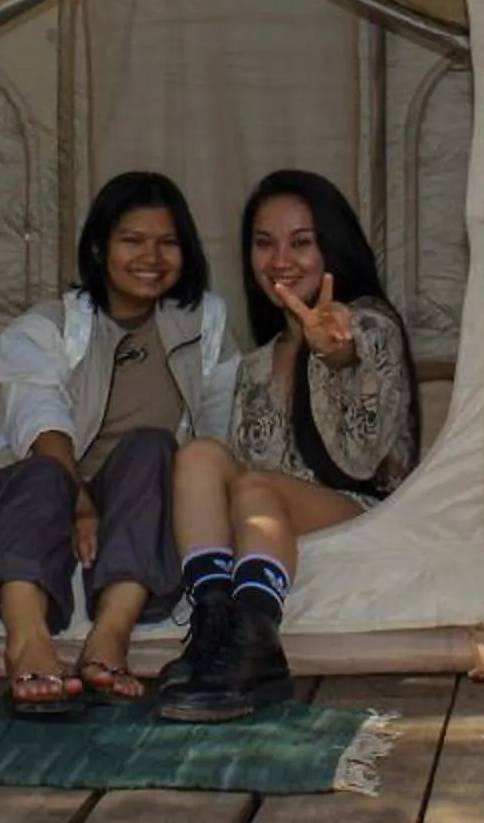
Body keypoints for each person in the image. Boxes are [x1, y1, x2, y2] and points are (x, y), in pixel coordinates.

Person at [0, 173, 237, 716]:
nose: (150, 256)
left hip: (129, 488)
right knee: (45, 473)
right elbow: (40, 421)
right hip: (27, 481)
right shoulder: (45, 327)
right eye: (132, 240)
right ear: (100, 247)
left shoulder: (204, 323)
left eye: (167, 242)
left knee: (155, 447)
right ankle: (28, 642)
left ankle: (111, 633)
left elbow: (219, 431)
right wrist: (79, 501)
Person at [156, 170, 421, 724]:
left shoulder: (367, 325)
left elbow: (363, 459)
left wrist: (334, 355)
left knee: (253, 485)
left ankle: (257, 644)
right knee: (199, 455)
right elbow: (246, 475)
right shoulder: (255, 363)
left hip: (363, 506)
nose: (281, 259)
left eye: (302, 242)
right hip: (271, 509)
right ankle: (212, 627)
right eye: (264, 242)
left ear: (332, 246)